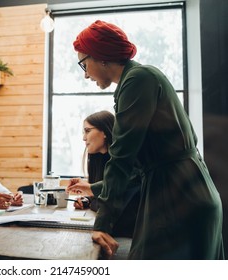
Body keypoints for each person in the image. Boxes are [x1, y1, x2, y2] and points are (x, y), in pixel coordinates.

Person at [67, 20, 224, 260]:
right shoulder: (136, 80)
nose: (85, 74)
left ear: (101, 57)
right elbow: (135, 168)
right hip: (181, 191)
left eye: (83, 63)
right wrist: (96, 189)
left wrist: (102, 224)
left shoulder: (138, 80)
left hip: (179, 197)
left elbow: (122, 159)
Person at [69, 110, 140, 238]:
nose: (84, 138)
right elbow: (101, 199)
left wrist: (91, 191)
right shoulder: (97, 159)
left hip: (126, 233)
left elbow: (112, 200)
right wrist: (87, 200)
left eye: (87, 131)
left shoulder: (123, 161)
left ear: (104, 132)